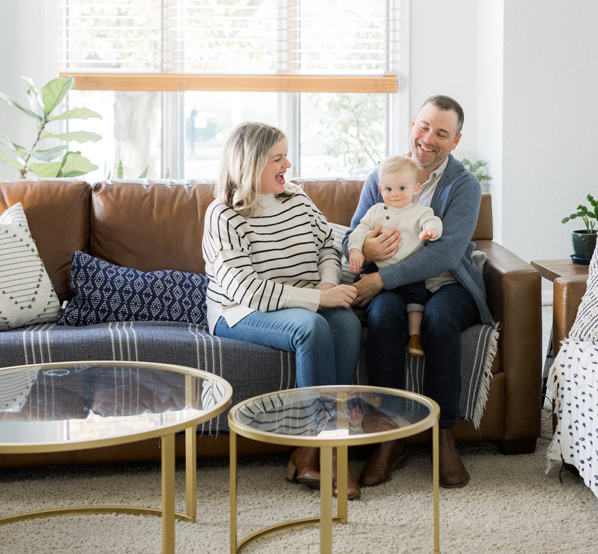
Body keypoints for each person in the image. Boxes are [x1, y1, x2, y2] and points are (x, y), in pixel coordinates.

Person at [203, 122, 363, 499]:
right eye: (277, 158)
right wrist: (319, 300)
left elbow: (327, 242)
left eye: (286, 155)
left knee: (348, 324)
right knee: (312, 327)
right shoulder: (224, 215)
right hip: (239, 311)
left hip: (304, 295)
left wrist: (326, 282)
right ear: (250, 164)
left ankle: (311, 451)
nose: (287, 164)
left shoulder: (297, 199)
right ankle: (332, 454)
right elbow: (247, 291)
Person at [343, 95, 493, 489]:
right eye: (424, 127)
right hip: (395, 281)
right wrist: (368, 252)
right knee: (382, 315)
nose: (428, 139)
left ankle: (444, 435)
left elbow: (445, 251)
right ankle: (388, 438)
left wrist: (378, 281)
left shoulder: (463, 185)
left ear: (455, 141)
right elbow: (354, 233)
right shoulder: (386, 174)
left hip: (448, 282)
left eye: (441, 133)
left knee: (441, 319)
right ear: (413, 124)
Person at [347, 155, 442, 357]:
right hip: (379, 267)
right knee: (357, 287)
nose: (395, 194)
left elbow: (432, 221)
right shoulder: (375, 211)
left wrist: (431, 231)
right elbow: (358, 231)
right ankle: (352, 313)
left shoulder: (419, 211)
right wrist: (356, 250)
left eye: (402, 188)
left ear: (415, 189)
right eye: (389, 189)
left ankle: (414, 337)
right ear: (381, 190)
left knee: (416, 300)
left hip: (408, 270)